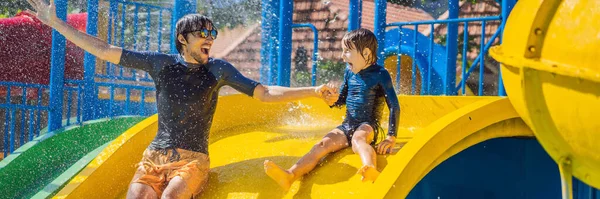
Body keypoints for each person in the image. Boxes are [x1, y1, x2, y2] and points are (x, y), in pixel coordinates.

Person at [24, 0, 337, 198]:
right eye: (204, 33)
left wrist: (313, 91)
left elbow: (264, 92)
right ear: (183, 39)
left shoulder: (218, 70)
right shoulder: (161, 65)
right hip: (153, 158)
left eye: (213, 33)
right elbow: (104, 50)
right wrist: (56, 23)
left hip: (192, 161)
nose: (211, 39)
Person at [264, 28, 401, 191]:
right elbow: (340, 100)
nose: (342, 56)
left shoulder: (380, 74)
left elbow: (394, 105)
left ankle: (370, 168)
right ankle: (290, 175)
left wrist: (391, 137)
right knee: (322, 144)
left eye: (347, 51)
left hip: (368, 124)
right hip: (347, 125)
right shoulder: (350, 73)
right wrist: (331, 98)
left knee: (359, 140)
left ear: (365, 53)